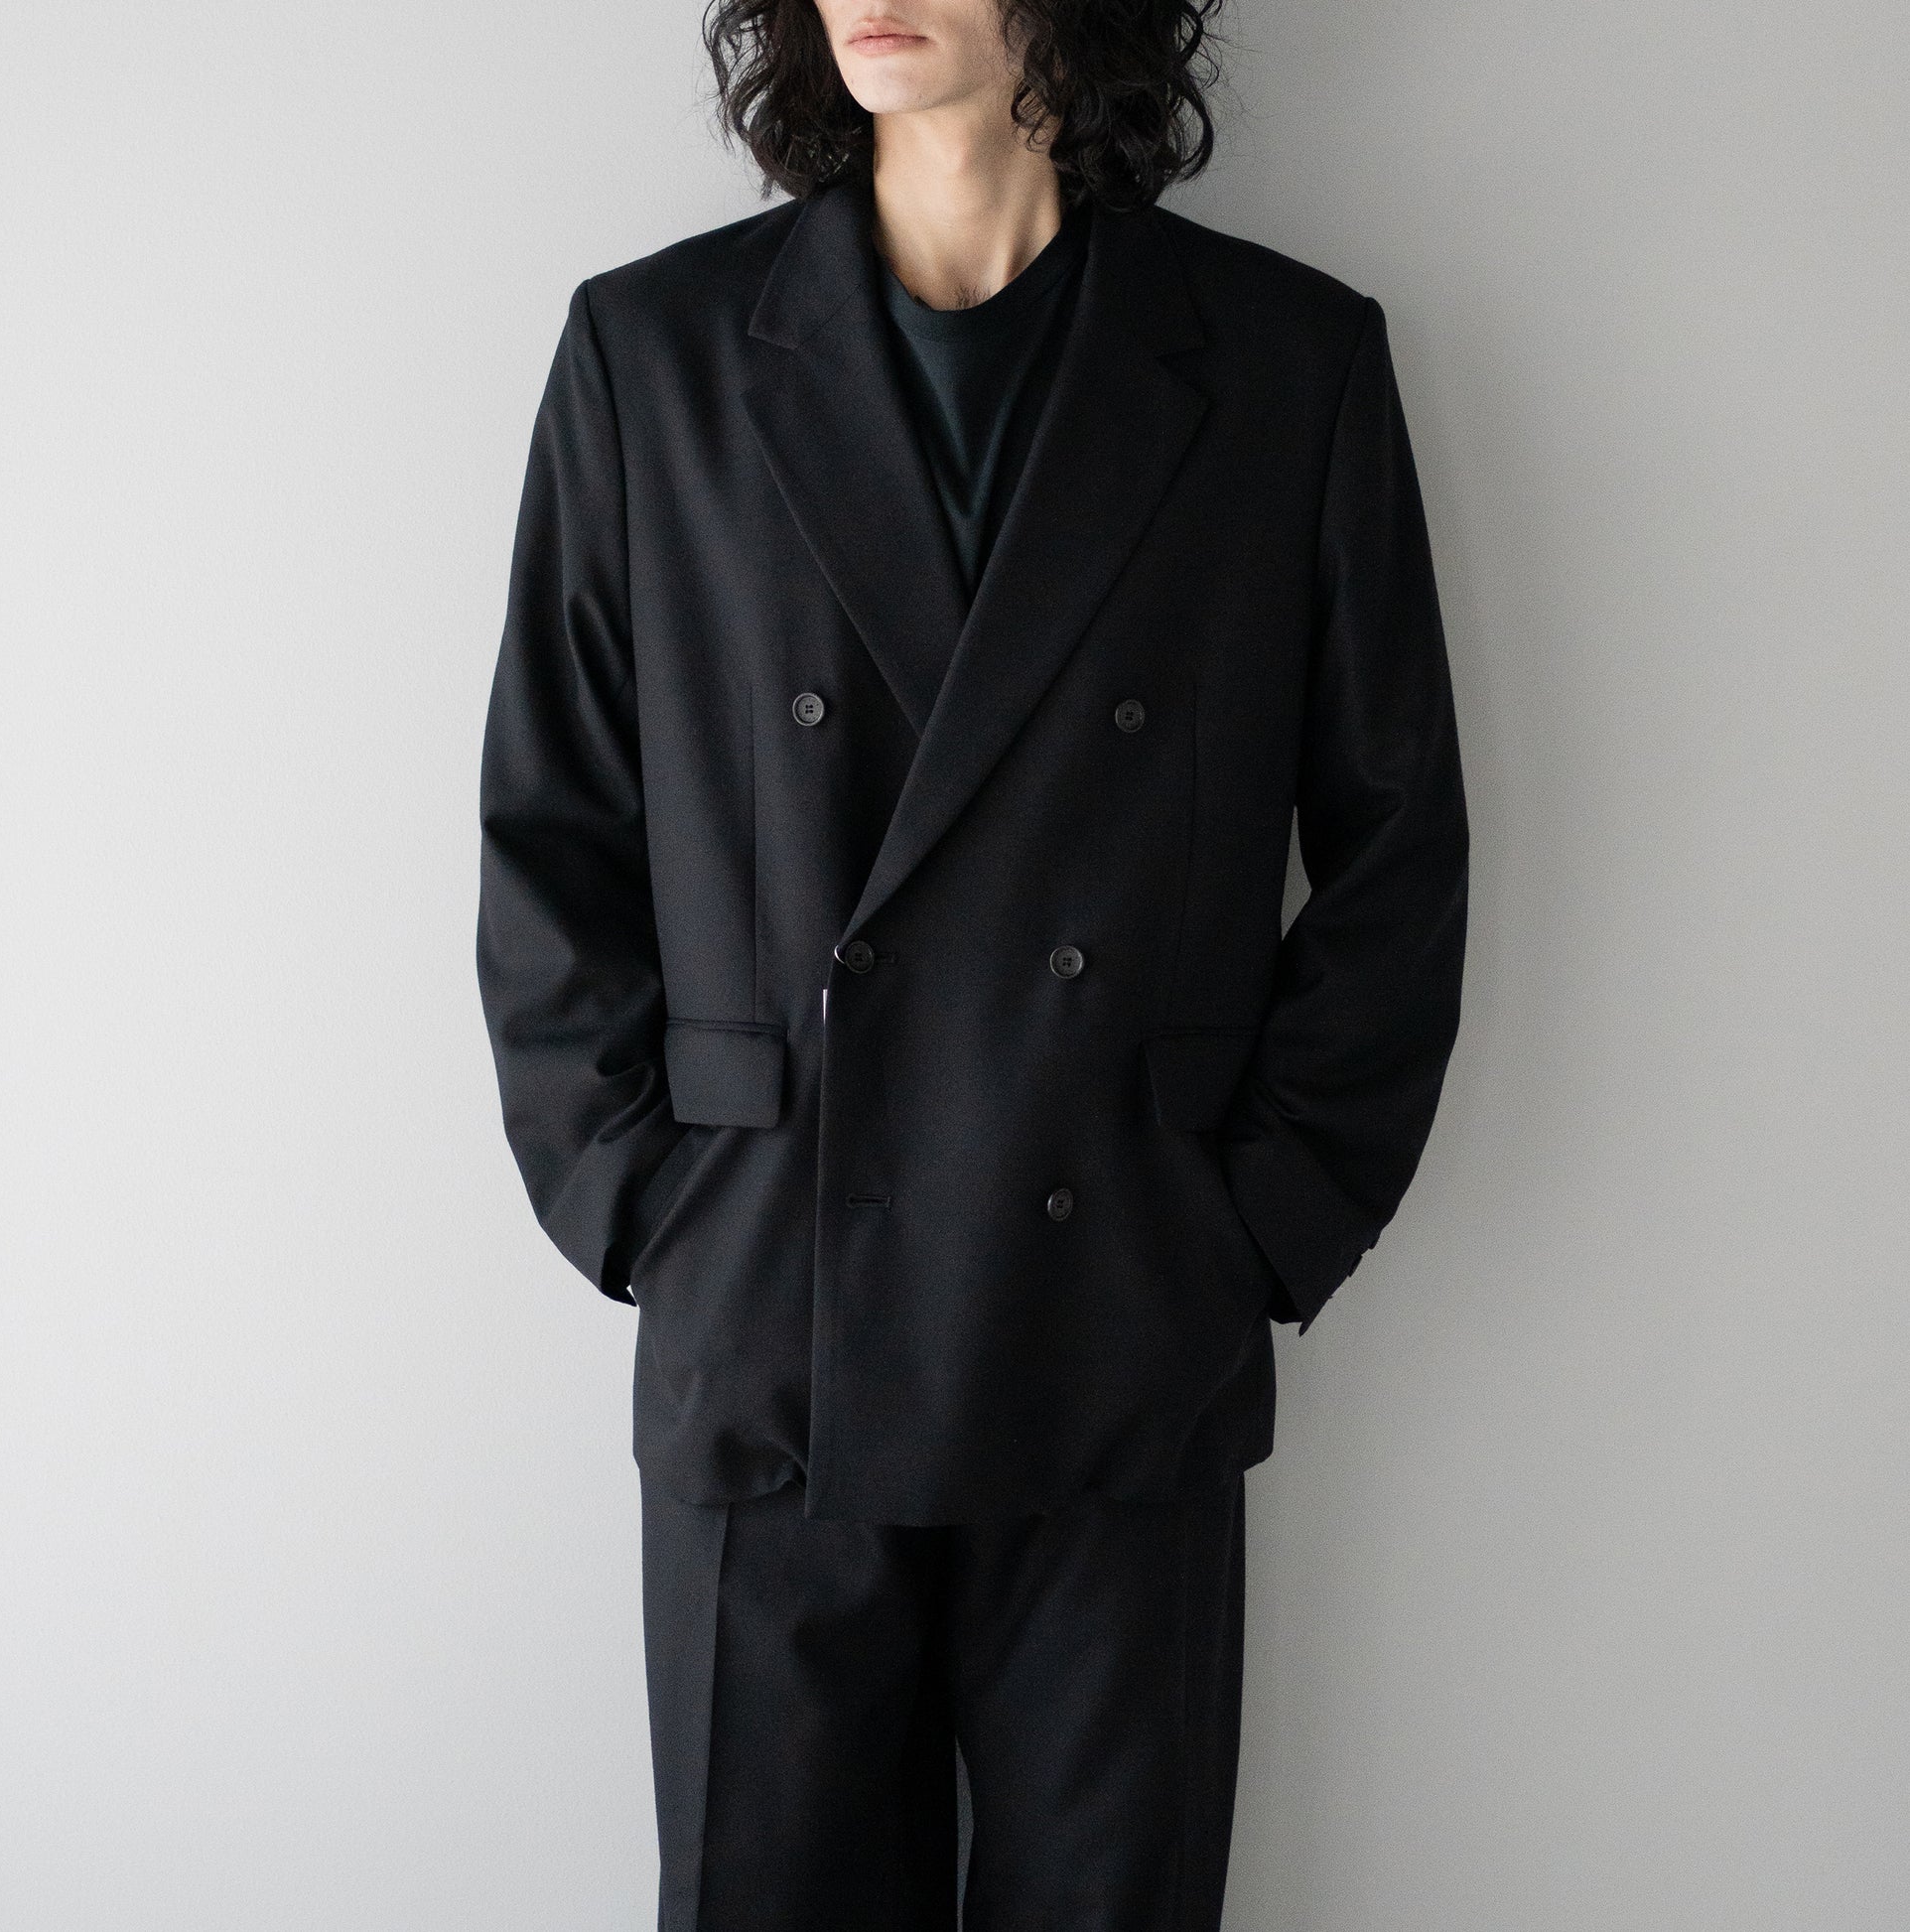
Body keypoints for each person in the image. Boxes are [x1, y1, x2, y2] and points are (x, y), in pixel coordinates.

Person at [475, 0, 1468, 1923]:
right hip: (774, 1329)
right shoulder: (654, 357)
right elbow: (552, 832)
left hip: (1117, 1325)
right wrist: (651, 1205)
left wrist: (1255, 1224)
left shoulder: (1283, 364)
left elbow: (1395, 845)